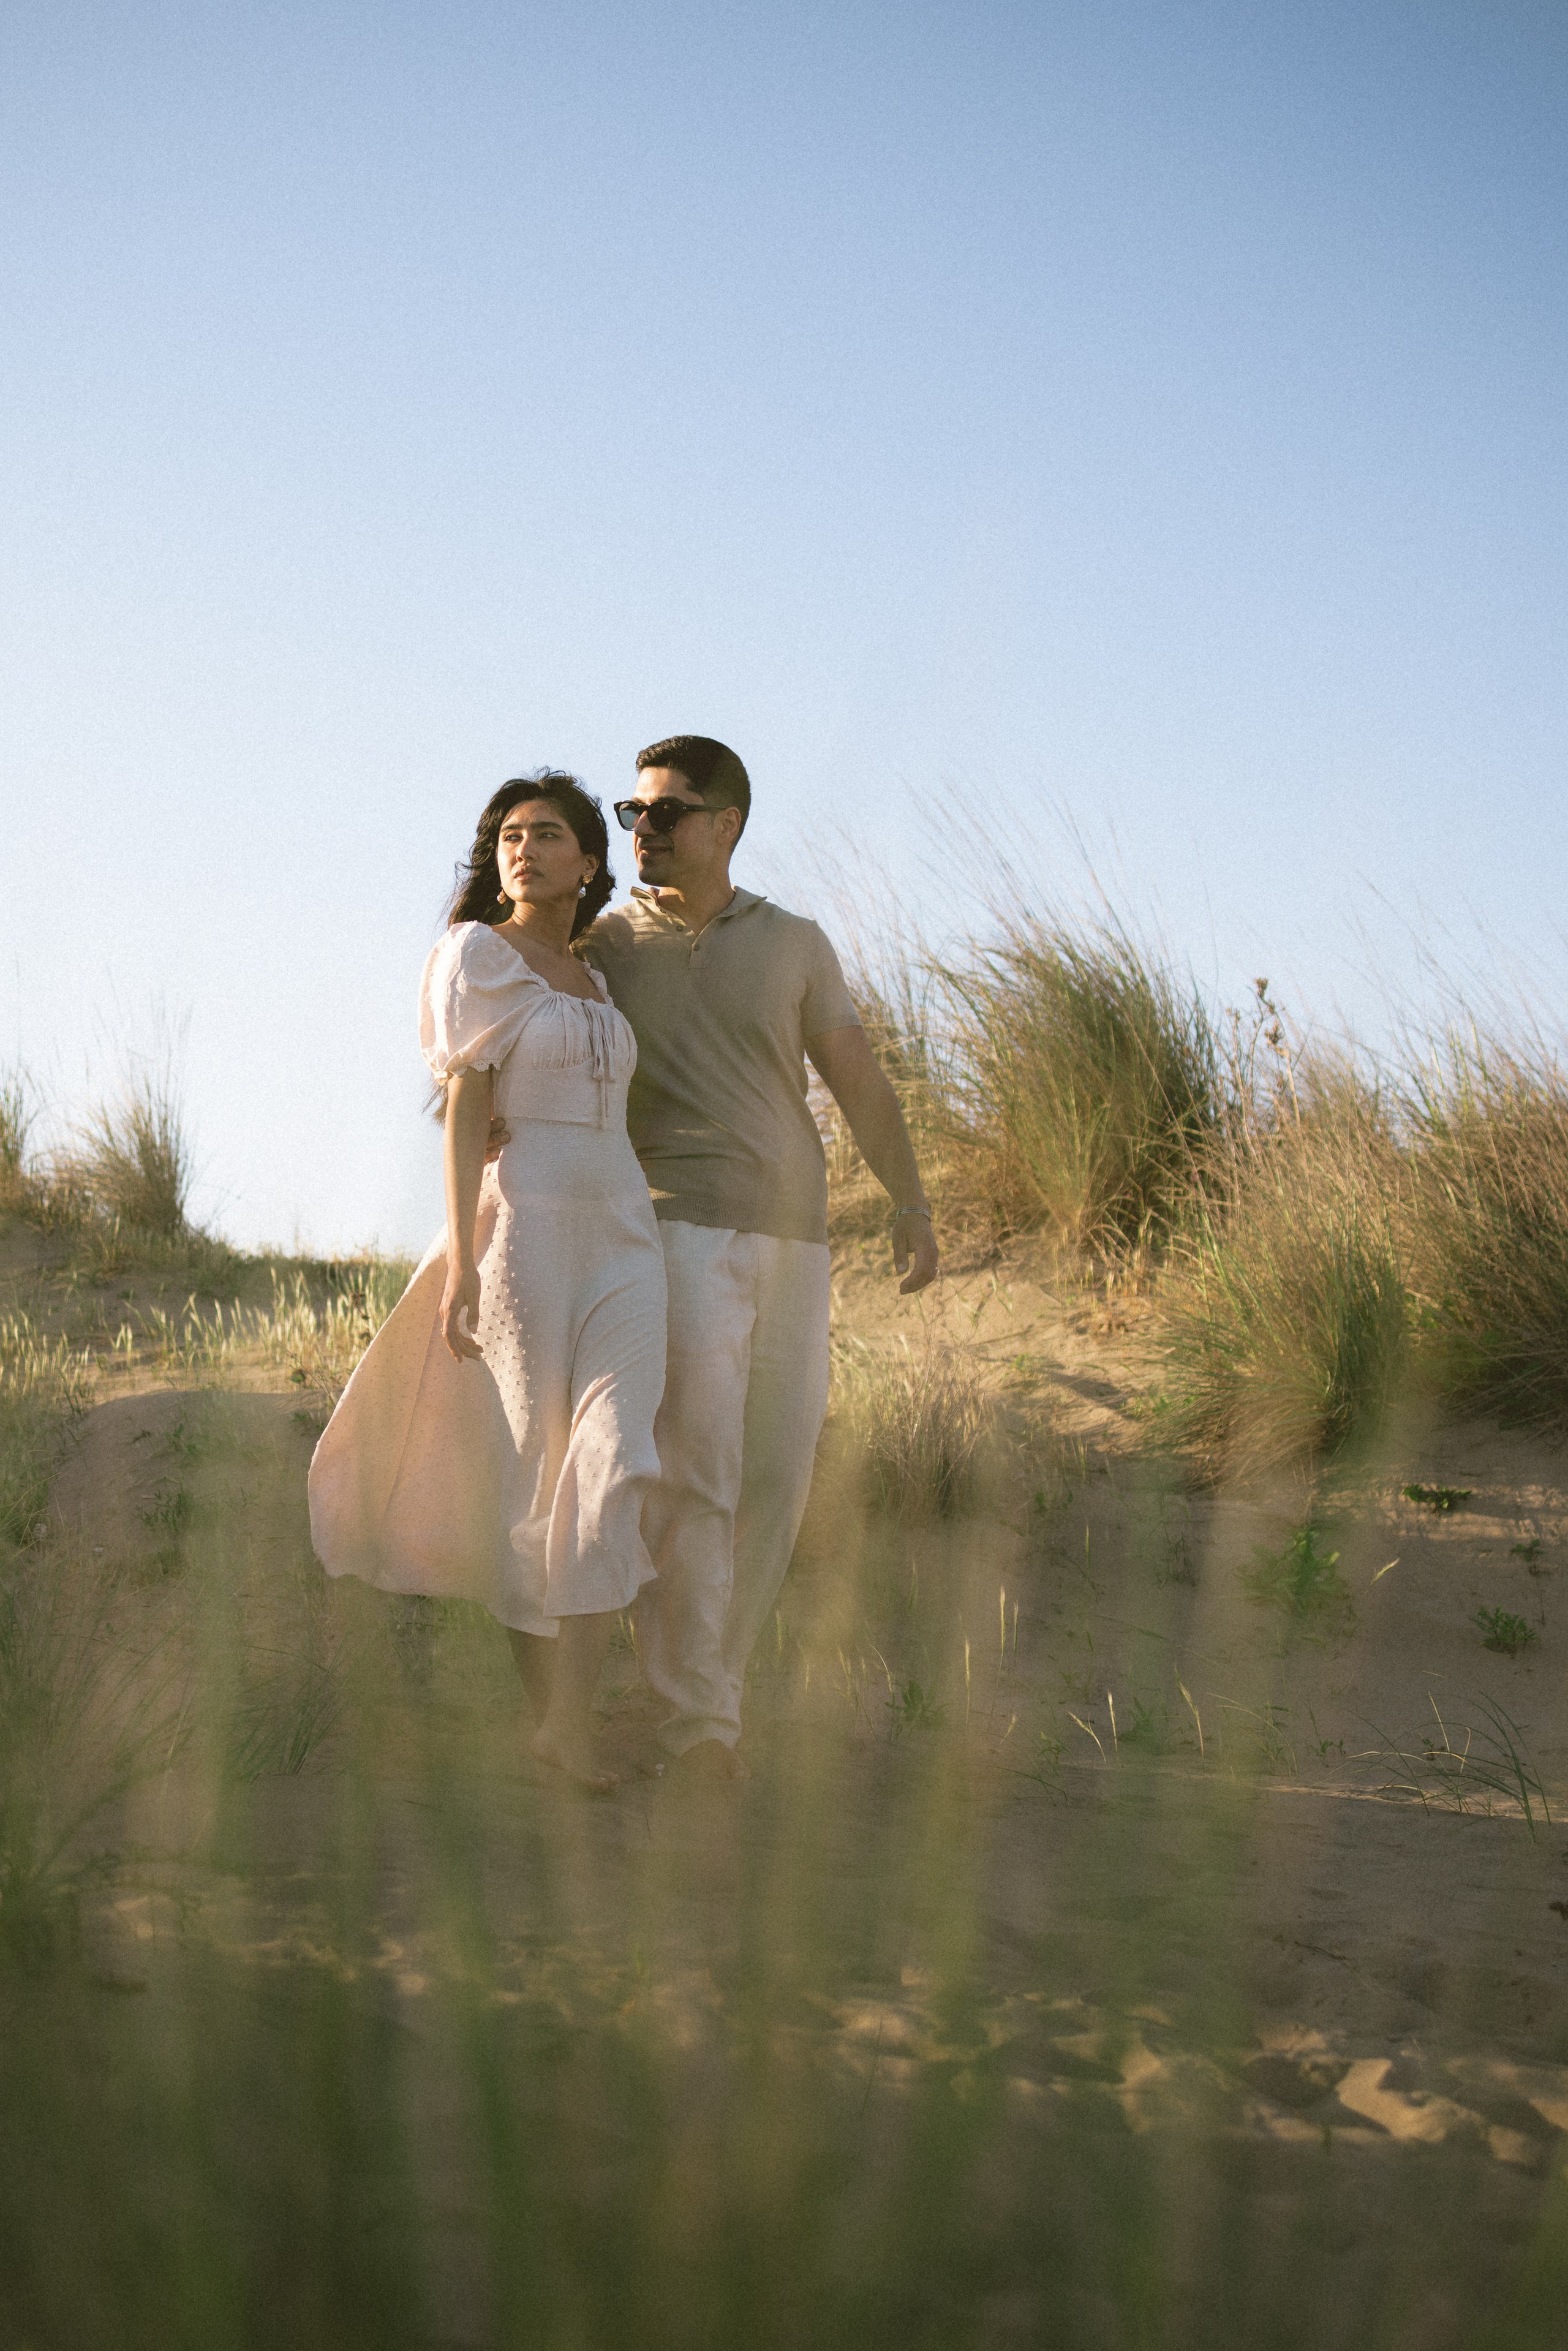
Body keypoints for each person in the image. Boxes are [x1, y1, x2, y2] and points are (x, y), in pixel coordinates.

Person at [576, 734, 940, 1776]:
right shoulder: (604, 946)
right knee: (701, 1474)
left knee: (778, 1473)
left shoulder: (794, 941)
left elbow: (859, 1074)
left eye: (668, 811)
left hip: (798, 1239)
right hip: (676, 1227)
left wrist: (910, 1199)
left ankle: (705, 1691)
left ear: (726, 825)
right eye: (632, 810)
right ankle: (702, 1723)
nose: (642, 828)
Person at [307, 773, 666, 1792]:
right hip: (524, 1237)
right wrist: (465, 1264)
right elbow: (467, 1106)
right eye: (508, 836)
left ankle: (567, 1718)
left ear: (590, 862)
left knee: (615, 1457)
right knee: (534, 1475)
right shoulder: (477, 956)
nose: (523, 849)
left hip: (625, 1237)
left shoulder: (598, 976)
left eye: (547, 835)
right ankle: (560, 1723)